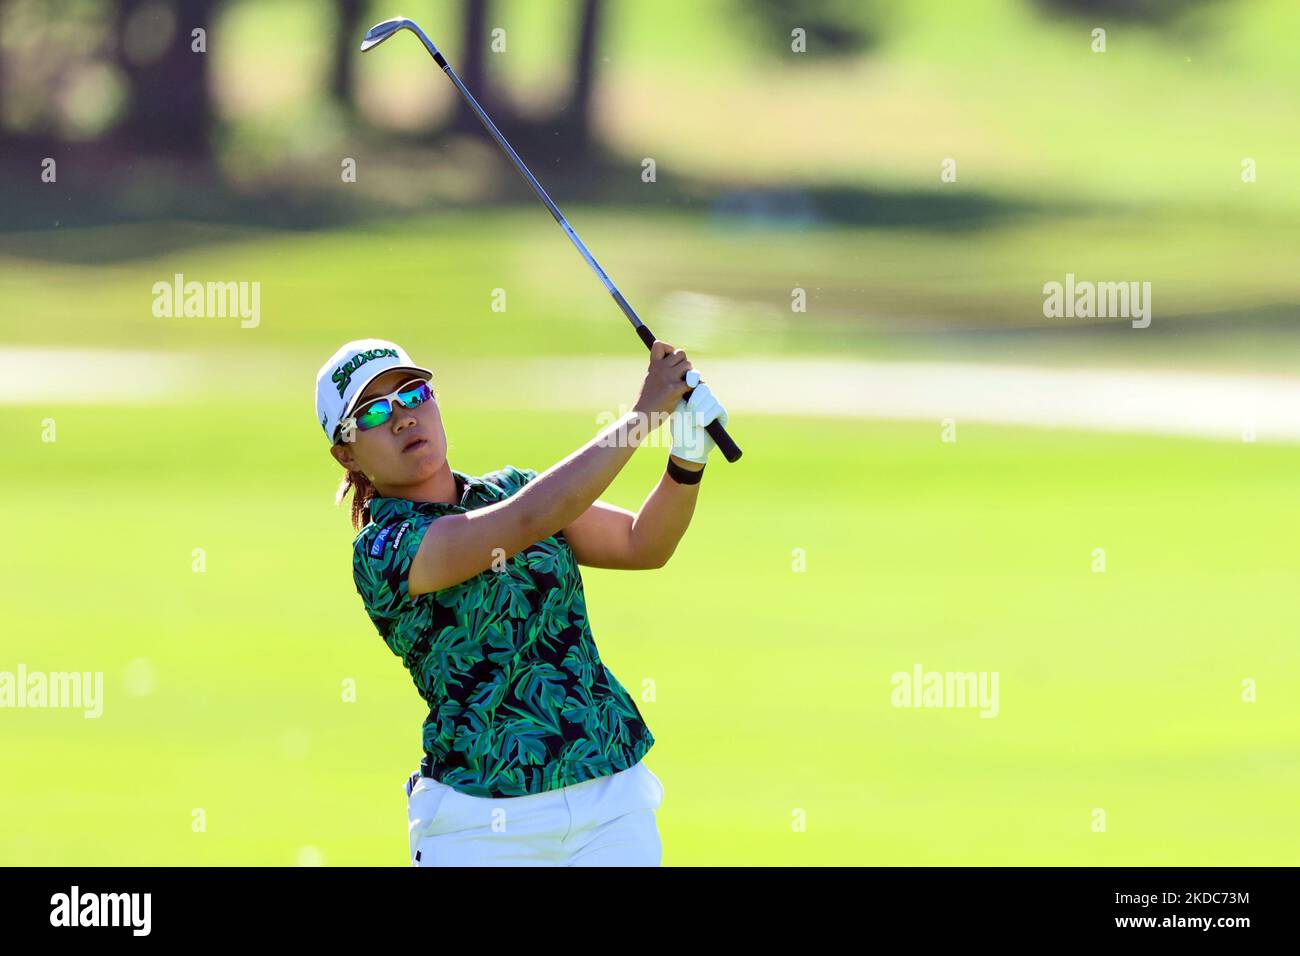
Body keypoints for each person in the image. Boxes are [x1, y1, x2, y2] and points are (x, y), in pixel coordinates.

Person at [313, 337, 729, 866]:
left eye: (413, 393)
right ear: (345, 453)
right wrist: (643, 416)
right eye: (372, 412)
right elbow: (526, 520)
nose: (402, 417)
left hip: (609, 798)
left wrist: (686, 459)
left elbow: (642, 543)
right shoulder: (382, 551)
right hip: (478, 824)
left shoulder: (511, 488)